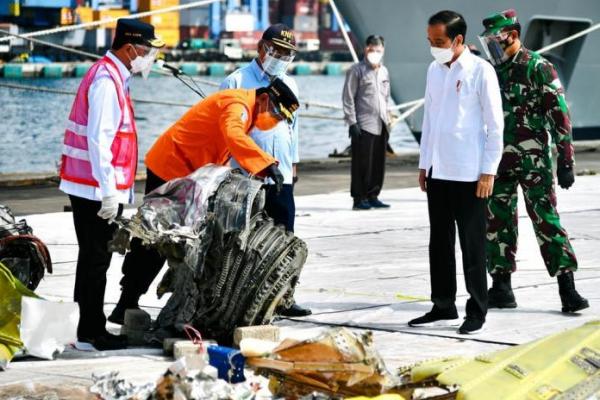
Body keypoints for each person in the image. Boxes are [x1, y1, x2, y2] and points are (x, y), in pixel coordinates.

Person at [108, 78, 297, 324]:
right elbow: (233, 134)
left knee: (184, 239)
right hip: (171, 166)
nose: (276, 121)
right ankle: (126, 303)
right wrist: (267, 164)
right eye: (276, 114)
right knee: (156, 237)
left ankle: (153, 302)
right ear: (264, 99)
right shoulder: (238, 105)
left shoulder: (248, 109)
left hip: (190, 174)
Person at [59, 19, 164, 350]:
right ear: (130, 48)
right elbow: (99, 140)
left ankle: (86, 327)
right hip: (95, 189)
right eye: (147, 52)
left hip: (93, 186)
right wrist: (108, 192)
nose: (150, 58)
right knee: (96, 260)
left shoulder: (115, 76)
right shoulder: (106, 80)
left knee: (92, 258)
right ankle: (92, 331)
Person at [479, 9, 589, 313]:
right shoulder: (491, 71)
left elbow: (560, 116)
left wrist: (565, 160)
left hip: (533, 161)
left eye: (496, 40)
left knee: (546, 221)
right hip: (497, 160)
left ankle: (567, 288)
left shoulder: (538, 67)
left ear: (512, 36)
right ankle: (501, 286)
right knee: (497, 221)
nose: (492, 47)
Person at [408, 10, 504, 334]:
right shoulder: (434, 71)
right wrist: (424, 165)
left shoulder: (481, 71)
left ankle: (477, 309)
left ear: (458, 40)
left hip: (470, 174)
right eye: (430, 41)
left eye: (439, 42)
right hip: (439, 171)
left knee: (473, 245)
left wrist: (488, 172)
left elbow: (495, 126)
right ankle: (443, 305)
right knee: (440, 242)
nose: (433, 47)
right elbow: (431, 121)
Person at [220, 24, 311, 317]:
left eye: (288, 54)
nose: (282, 57)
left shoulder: (290, 84)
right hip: (247, 178)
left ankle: (284, 298)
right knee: (246, 243)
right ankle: (245, 300)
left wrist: (293, 164)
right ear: (262, 48)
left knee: (285, 238)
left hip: (281, 175)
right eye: (278, 51)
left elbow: (293, 129)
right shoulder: (236, 82)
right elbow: (227, 133)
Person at [342, 34, 391, 210]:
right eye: (372, 49)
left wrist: (389, 117)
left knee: (378, 163)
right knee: (362, 164)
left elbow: (386, 97)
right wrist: (352, 122)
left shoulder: (384, 71)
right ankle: (359, 198)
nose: (375, 53)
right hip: (363, 124)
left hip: (381, 123)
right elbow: (348, 98)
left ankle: (373, 195)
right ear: (366, 49)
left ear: (383, 51)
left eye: (379, 50)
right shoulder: (356, 70)